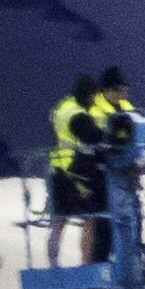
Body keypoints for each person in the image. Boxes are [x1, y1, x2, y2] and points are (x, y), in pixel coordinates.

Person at [47, 78, 111, 266]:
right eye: (93, 95)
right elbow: (92, 135)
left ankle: (53, 265)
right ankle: (86, 265)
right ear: (86, 94)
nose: (94, 100)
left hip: (58, 172)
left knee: (59, 221)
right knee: (89, 220)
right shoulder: (76, 114)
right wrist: (108, 138)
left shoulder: (63, 107)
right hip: (75, 173)